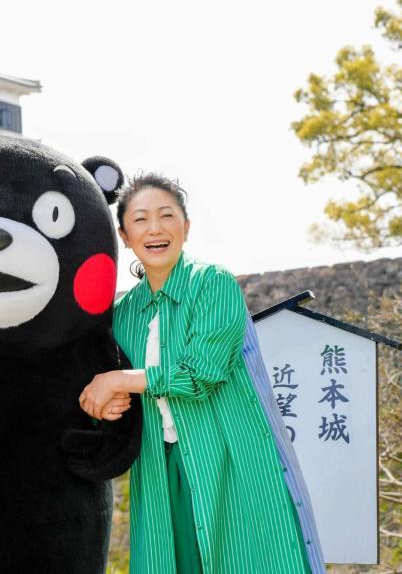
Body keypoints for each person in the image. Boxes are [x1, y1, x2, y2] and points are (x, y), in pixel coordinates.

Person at [78, 173, 314, 574]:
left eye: (166, 215)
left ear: (185, 227)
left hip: (228, 457)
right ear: (124, 235)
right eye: (140, 219)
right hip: (158, 466)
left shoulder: (212, 283)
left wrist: (119, 381)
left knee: (244, 560)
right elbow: (116, 384)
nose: (155, 228)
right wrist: (103, 401)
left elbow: (199, 375)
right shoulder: (123, 313)